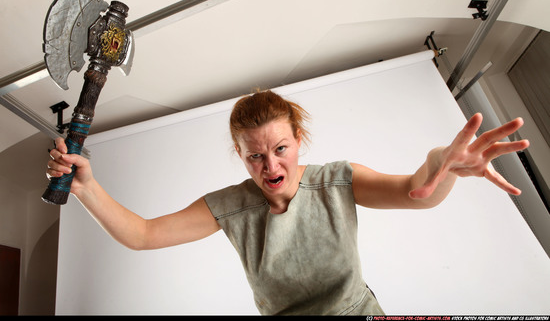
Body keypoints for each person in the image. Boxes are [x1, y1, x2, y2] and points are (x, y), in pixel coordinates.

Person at [46, 89, 529, 315]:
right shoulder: (230, 206)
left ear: (299, 140)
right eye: (254, 156)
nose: (270, 166)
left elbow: (415, 192)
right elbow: (142, 234)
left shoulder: (338, 181)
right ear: (239, 155)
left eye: (280, 149)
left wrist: (441, 161)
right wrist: (86, 185)